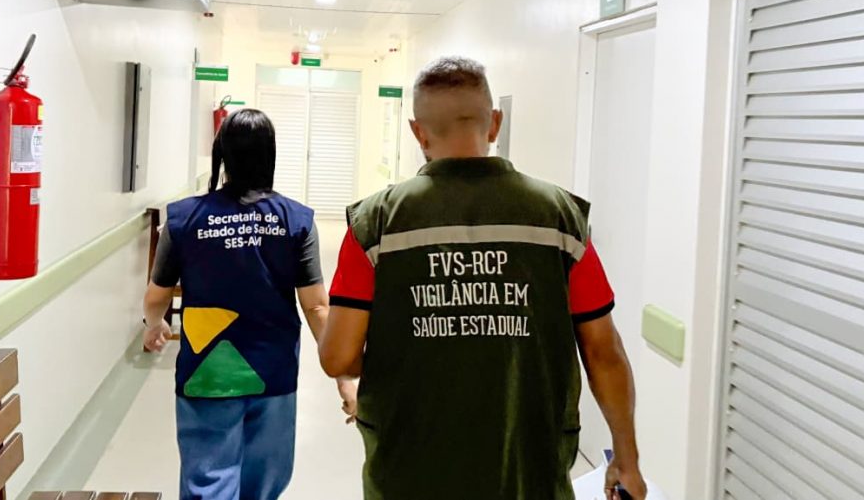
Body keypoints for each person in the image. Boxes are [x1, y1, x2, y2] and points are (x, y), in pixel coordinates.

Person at [319, 57, 646, 500]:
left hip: (408, 465)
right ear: (494, 123)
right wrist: (627, 457)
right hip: (529, 466)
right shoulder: (560, 217)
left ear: (418, 132)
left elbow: (338, 357)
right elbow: (603, 352)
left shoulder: (376, 222)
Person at [143, 108, 357, 500]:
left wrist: (154, 324)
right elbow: (316, 308)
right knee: (263, 486)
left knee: (207, 481)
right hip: (273, 372)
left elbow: (157, 295)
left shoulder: (183, 219)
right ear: (270, 155)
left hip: (206, 373)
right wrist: (344, 375)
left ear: (223, 154)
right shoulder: (296, 220)